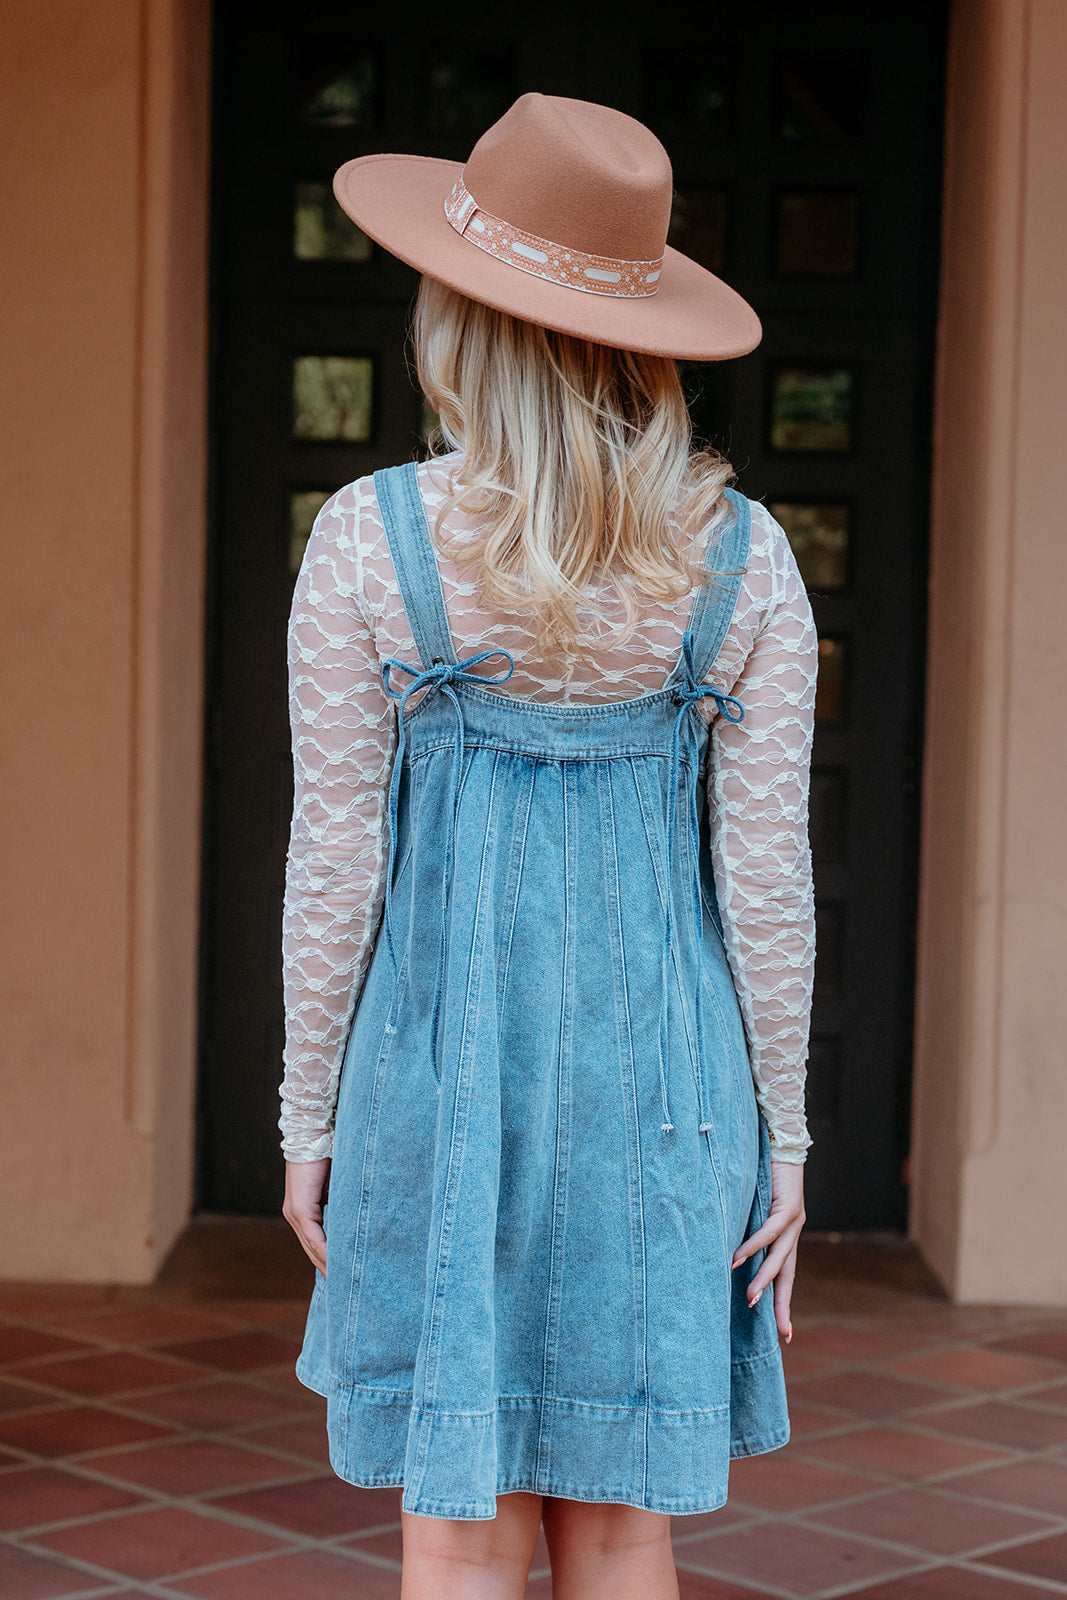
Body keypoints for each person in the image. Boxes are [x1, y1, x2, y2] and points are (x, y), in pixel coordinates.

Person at [279, 92, 815, 1600]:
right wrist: (782, 1135)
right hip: (663, 1085)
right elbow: (764, 877)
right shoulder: (746, 554)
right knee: (622, 1516)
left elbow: (339, 857)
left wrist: (302, 1116)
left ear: (459, 315)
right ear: (645, 330)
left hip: (438, 1071)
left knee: (460, 1528)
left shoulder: (370, 537)